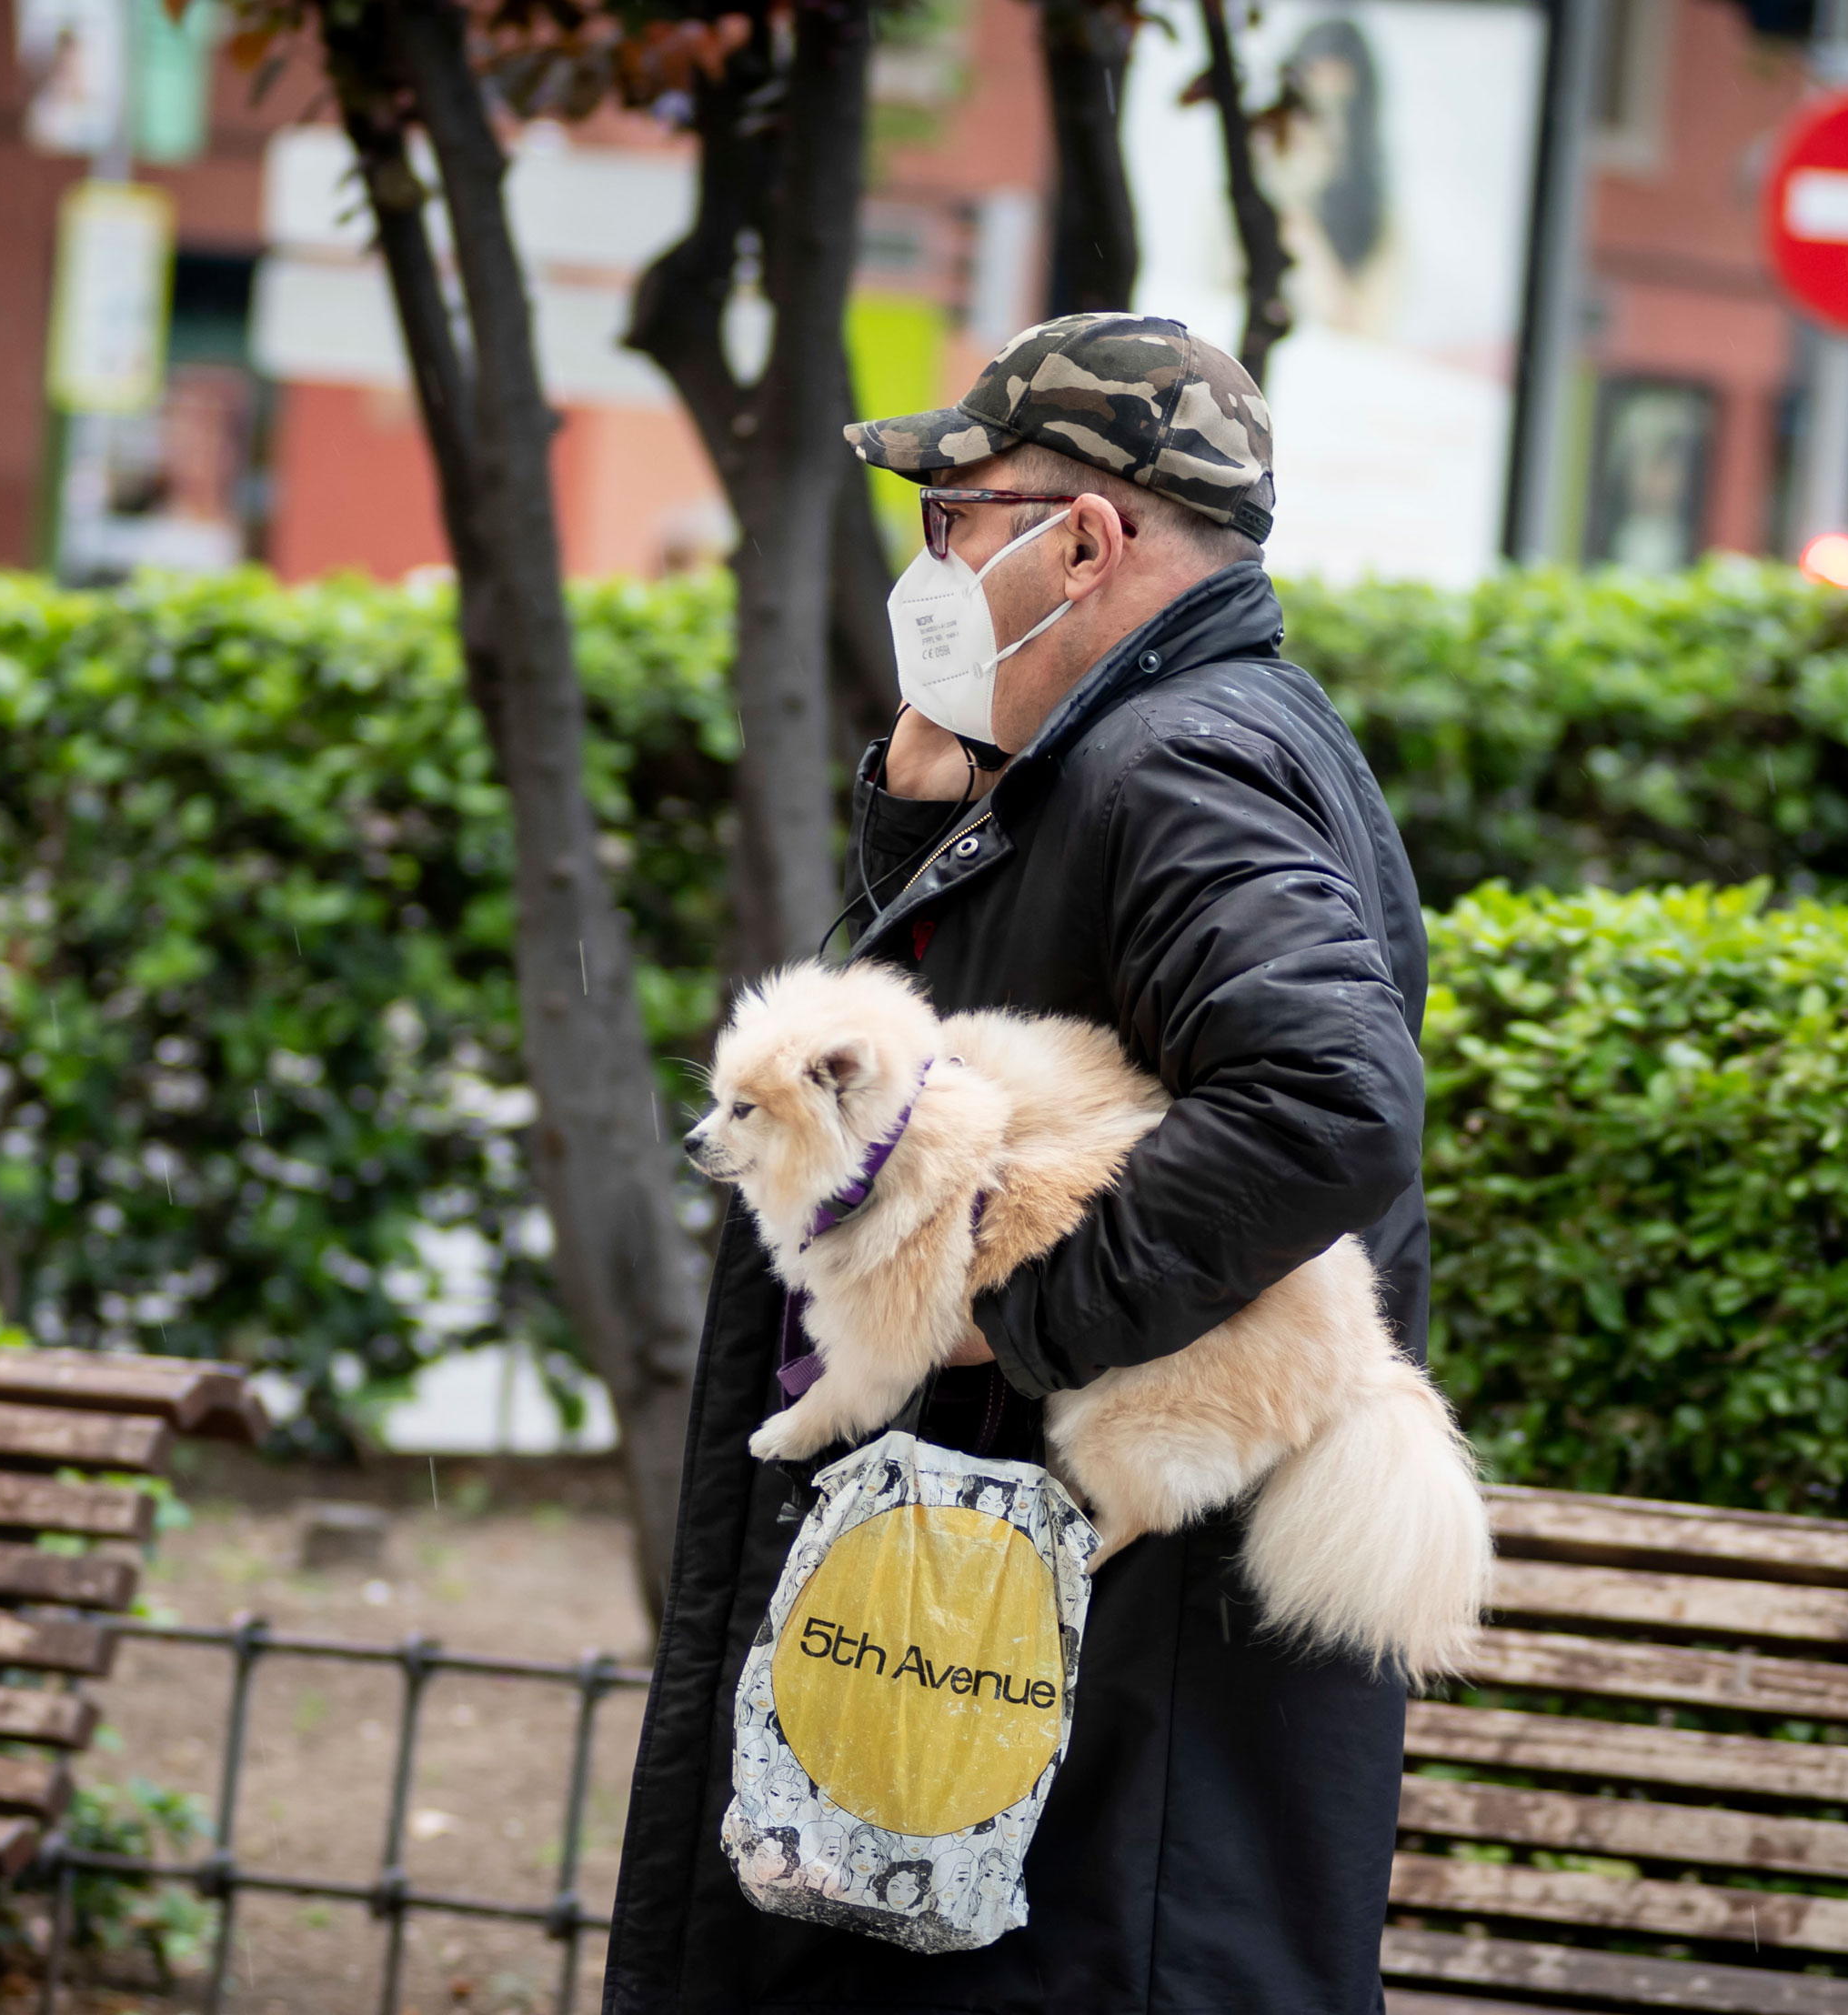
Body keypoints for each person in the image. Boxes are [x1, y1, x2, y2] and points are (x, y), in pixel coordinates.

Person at [603, 312, 1431, 2013]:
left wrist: (1023, 1319)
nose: (935, 563)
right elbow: (997, 1057)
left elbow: (1327, 1100)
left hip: (1090, 1688)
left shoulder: (1184, 758)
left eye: (957, 521)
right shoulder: (1133, 746)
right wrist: (924, 831)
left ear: (1085, 539)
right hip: (1030, 1649)